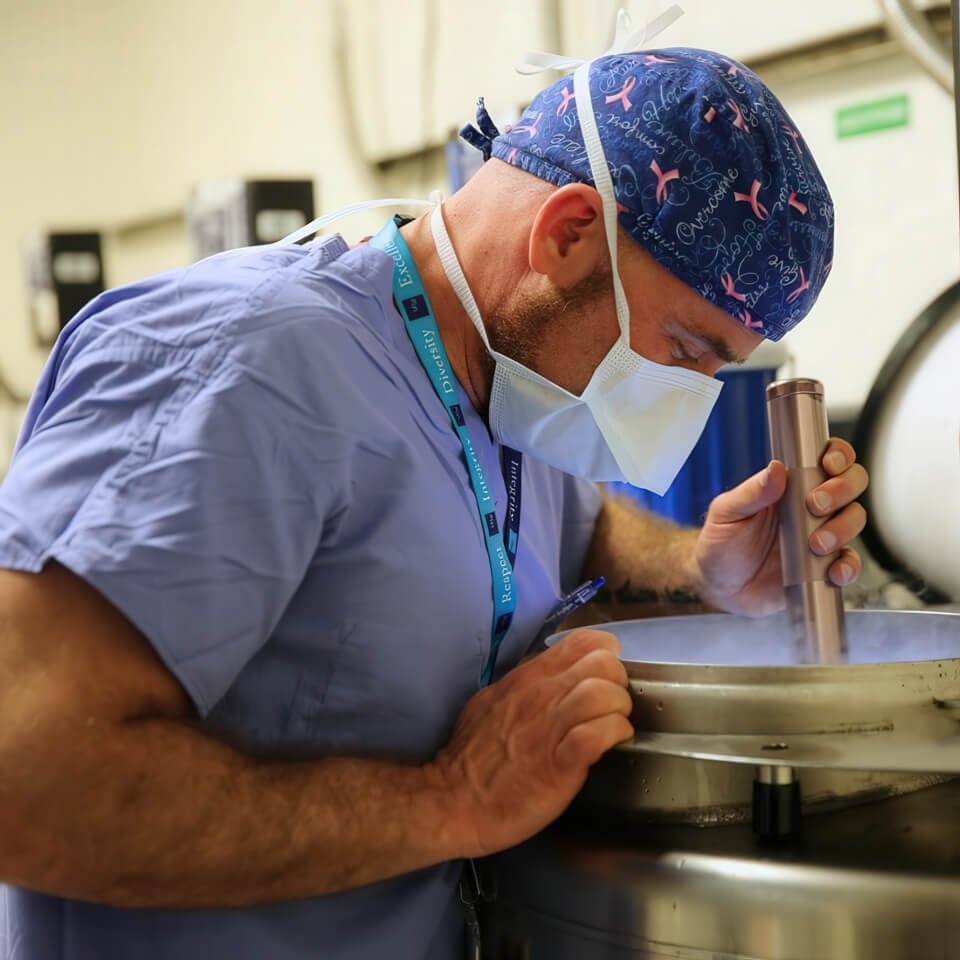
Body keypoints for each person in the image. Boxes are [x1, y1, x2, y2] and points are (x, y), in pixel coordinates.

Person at [0, 44, 866, 960]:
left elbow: (566, 539)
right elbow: (27, 776)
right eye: (688, 349)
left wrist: (703, 570)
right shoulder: (248, 370)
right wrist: (450, 800)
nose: (688, 392)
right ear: (569, 233)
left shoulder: (511, 385)